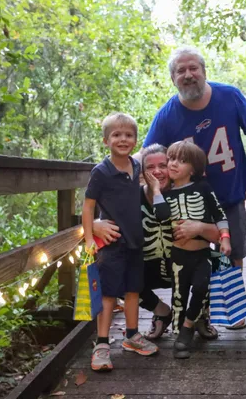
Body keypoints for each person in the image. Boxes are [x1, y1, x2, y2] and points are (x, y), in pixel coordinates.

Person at [143, 46, 246, 329]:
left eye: (193, 68)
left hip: (229, 193)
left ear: (204, 71)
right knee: (192, 256)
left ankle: (232, 308)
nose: (188, 74)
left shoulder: (229, 96)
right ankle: (199, 315)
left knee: (233, 252)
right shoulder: (168, 114)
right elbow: (149, 153)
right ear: (173, 78)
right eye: (180, 71)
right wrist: (118, 166)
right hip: (185, 198)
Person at [91, 144, 221, 340]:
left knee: (210, 263)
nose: (158, 172)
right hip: (146, 267)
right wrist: (94, 224)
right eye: (150, 167)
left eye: (163, 165)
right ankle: (161, 311)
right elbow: (100, 215)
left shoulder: (191, 194)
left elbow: (220, 234)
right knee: (118, 273)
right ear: (141, 171)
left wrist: (200, 227)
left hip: (185, 263)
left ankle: (200, 315)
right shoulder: (131, 196)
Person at [82, 112, 159, 372]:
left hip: (135, 241)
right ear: (106, 140)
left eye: (128, 135)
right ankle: (102, 344)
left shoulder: (136, 167)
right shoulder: (101, 172)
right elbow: (87, 206)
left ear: (135, 141)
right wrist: (90, 237)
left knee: (133, 290)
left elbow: (135, 196)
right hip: (111, 242)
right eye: (116, 135)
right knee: (107, 294)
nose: (123, 139)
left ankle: (132, 336)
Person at [151, 141, 232, 359]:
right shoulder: (166, 194)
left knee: (201, 288)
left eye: (182, 160)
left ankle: (187, 328)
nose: (174, 164)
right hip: (178, 255)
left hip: (202, 253)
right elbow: (161, 215)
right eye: (172, 159)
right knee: (179, 295)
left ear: (194, 168)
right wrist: (157, 191)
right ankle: (179, 333)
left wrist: (224, 238)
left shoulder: (203, 188)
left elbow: (219, 215)